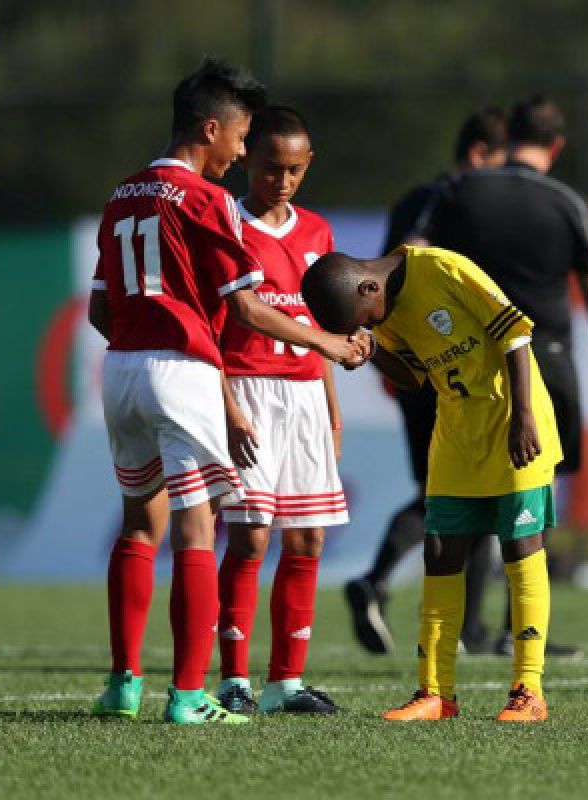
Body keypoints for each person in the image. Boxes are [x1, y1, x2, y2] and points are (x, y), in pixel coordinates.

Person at [87, 58, 365, 727]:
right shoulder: (208, 200)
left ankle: (124, 683)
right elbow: (243, 310)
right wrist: (327, 343)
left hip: (120, 368)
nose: (241, 154)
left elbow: (100, 311)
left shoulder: (124, 191)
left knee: (138, 524)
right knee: (198, 529)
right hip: (182, 371)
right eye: (239, 140)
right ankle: (190, 694)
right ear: (210, 128)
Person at [303, 245, 561, 723]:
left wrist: (523, 416)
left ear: (367, 287)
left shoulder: (443, 268)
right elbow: (417, 377)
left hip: (512, 423)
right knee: (441, 551)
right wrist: (374, 350)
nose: (367, 325)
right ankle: (435, 693)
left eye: (362, 319)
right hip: (456, 436)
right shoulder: (380, 308)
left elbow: (516, 337)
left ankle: (529, 690)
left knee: (520, 550)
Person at [420, 95, 588, 657]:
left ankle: (468, 628)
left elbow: (419, 255)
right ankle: (516, 630)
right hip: (545, 358)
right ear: (557, 145)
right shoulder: (568, 201)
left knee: (471, 482)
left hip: (468, 360)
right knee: (532, 491)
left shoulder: (461, 191)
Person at [344, 108, 508, 655]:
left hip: (409, 366)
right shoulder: (458, 199)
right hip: (450, 365)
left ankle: (386, 583)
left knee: (440, 491)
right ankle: (463, 624)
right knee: (468, 492)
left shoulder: (414, 196)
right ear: (482, 154)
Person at [214, 106, 344, 716]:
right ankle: (234, 681)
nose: (283, 180)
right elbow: (222, 321)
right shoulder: (225, 223)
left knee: (310, 537)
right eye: (271, 168)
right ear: (246, 160)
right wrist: (226, 404)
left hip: (305, 396)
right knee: (249, 536)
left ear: (309, 164)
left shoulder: (318, 233)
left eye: (294, 169)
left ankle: (285, 683)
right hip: (247, 390)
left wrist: (333, 410)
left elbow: (322, 327)